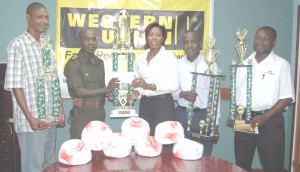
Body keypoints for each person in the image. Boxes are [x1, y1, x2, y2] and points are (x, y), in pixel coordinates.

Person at [4, 2, 65, 172]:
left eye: (46, 17)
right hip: (31, 124)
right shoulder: (18, 45)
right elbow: (15, 86)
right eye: (39, 17)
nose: (44, 21)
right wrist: (31, 119)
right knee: (33, 168)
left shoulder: (47, 48)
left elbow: (54, 82)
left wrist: (60, 111)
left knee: (49, 166)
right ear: (28, 18)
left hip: (50, 122)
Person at [234, 26, 295, 172]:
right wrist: (238, 112)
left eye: (266, 38)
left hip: (270, 121)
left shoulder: (281, 65)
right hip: (245, 119)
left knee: (273, 165)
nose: (260, 41)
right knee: (242, 163)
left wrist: (264, 117)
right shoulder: (244, 62)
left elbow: (286, 97)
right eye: (258, 37)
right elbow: (238, 92)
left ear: (274, 42)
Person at [64, 27, 119, 139]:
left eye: (93, 39)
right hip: (82, 115)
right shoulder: (74, 63)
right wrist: (105, 89)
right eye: (86, 39)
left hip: (99, 113)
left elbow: (101, 90)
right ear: (80, 41)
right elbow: (78, 91)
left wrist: (110, 94)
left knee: (98, 152)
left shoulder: (100, 63)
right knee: (81, 151)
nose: (90, 43)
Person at [172, 30, 220, 155]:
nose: (189, 45)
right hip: (181, 115)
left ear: (200, 43)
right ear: (183, 45)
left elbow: (216, 96)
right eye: (186, 42)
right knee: (180, 156)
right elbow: (171, 91)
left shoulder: (210, 65)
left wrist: (215, 124)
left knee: (203, 157)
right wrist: (182, 94)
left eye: (193, 41)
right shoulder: (177, 64)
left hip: (203, 117)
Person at [131, 22, 178, 136]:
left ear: (163, 38)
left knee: (163, 141)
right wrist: (137, 92)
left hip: (163, 104)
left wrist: (149, 86)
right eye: (151, 34)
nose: (154, 38)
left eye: (158, 35)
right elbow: (138, 84)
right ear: (146, 37)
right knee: (145, 140)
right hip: (145, 105)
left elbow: (174, 84)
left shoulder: (169, 57)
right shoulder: (139, 59)